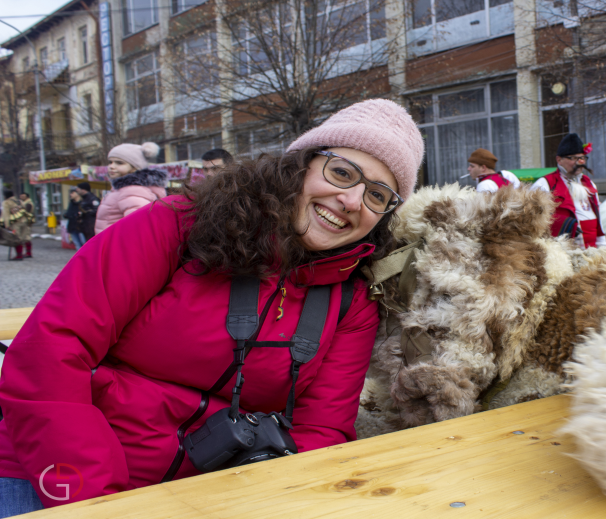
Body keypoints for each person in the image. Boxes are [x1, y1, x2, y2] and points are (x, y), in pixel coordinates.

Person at [0, 98, 423, 515]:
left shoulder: (351, 301)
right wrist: (98, 505)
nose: (351, 200)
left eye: (378, 195)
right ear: (300, 165)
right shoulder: (176, 225)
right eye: (342, 172)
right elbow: (50, 353)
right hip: (53, 471)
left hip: (207, 497)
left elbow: (321, 430)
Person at [530, 133, 606, 248]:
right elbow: (534, 220)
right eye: (574, 158)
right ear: (559, 160)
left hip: (592, 249)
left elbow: (598, 215)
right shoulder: (545, 184)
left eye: (582, 158)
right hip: (562, 249)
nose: (580, 162)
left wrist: (602, 244)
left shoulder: (588, 182)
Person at [95, 142, 167, 235]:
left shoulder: (132, 191)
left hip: (117, 243)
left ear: (134, 167)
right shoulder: (122, 189)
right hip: (110, 242)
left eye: (119, 163)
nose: (111, 166)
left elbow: (138, 228)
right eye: (110, 162)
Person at [1, 189, 33, 260]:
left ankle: (19, 255)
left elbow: (6, 214)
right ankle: (29, 252)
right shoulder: (19, 201)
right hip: (24, 221)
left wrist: (7, 225)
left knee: (17, 238)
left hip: (15, 223)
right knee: (25, 237)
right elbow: (25, 210)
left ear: (5, 196)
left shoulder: (6, 202)